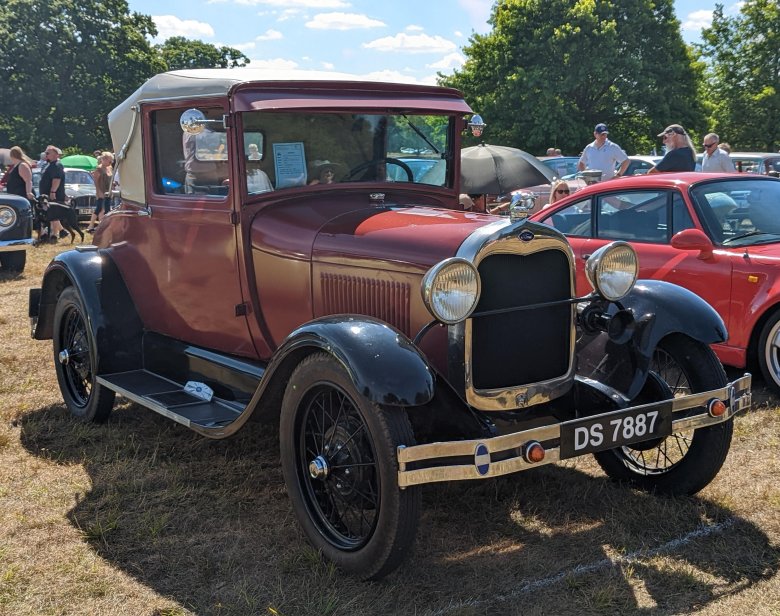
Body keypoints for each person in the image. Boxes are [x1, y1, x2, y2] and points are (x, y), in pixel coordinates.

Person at [38, 145, 66, 239]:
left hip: (53, 194)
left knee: (52, 213)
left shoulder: (57, 165)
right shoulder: (48, 164)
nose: (46, 154)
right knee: (51, 213)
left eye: (48, 153)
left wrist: (53, 192)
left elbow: (56, 179)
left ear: (55, 155)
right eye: (45, 153)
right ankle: (60, 231)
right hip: (46, 194)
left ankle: (56, 233)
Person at [86, 152, 113, 232]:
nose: (111, 162)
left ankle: (103, 225)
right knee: (99, 208)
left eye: (111, 161)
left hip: (108, 191)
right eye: (109, 161)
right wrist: (99, 192)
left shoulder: (110, 168)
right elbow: (96, 182)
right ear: (103, 160)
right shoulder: (98, 169)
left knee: (107, 209)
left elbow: (110, 179)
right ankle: (91, 225)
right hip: (101, 191)